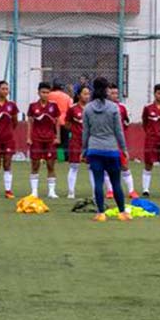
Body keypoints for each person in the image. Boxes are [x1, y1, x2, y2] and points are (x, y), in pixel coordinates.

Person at [82, 77, 130, 222]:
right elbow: (119, 131)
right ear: (106, 90)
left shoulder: (88, 108)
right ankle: (122, 212)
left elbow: (85, 132)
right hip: (111, 150)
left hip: (94, 149)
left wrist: (84, 150)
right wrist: (124, 148)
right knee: (116, 182)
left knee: (98, 182)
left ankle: (101, 213)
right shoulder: (113, 107)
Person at [27, 82, 60, 199]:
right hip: (36, 139)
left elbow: (57, 123)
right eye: (43, 92)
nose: (45, 94)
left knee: (51, 165)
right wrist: (28, 137)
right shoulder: (32, 106)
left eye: (47, 92)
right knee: (35, 165)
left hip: (50, 139)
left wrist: (57, 137)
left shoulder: (54, 106)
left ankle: (51, 191)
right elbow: (30, 123)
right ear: (38, 92)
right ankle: (34, 191)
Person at [141, 83, 160, 199]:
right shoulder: (148, 107)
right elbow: (144, 122)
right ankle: (145, 190)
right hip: (151, 140)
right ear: (154, 94)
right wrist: (150, 133)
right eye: (159, 93)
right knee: (149, 164)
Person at [108, 83, 137, 198]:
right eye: (112, 93)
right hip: (108, 142)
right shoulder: (104, 107)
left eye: (116, 93)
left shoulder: (122, 108)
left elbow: (126, 123)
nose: (115, 95)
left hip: (119, 142)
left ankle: (131, 191)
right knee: (107, 167)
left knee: (124, 166)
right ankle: (110, 191)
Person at [65, 85, 92, 199]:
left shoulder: (92, 108)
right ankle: (71, 192)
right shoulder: (73, 109)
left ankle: (95, 192)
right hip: (76, 141)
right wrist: (76, 132)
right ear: (78, 95)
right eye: (84, 93)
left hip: (91, 142)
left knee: (92, 167)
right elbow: (67, 124)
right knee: (74, 166)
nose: (87, 96)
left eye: (88, 94)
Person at [48, 80, 73, 161]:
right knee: (66, 141)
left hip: (52, 121)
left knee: (52, 140)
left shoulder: (48, 95)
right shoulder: (67, 97)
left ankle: (52, 156)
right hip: (64, 121)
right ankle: (66, 157)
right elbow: (70, 109)